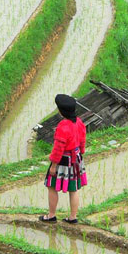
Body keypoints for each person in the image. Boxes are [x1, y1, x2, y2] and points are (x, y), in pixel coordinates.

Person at [39, 94, 87, 224]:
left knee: (51, 186)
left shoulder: (63, 126)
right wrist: (81, 152)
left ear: (61, 111)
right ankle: (73, 217)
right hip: (76, 158)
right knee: (74, 189)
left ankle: (51, 215)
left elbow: (58, 149)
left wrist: (54, 166)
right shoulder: (79, 122)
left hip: (63, 161)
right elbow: (82, 141)